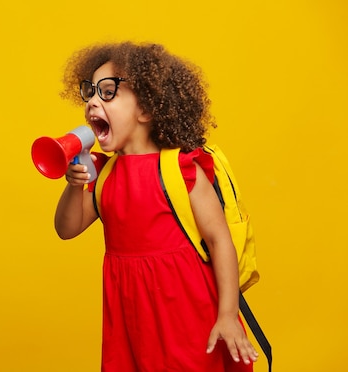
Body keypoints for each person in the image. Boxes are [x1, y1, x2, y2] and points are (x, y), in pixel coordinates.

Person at [54, 42, 259, 371]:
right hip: (131, 317)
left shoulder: (181, 169)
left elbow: (220, 241)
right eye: (90, 91)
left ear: (147, 109)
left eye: (108, 92)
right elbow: (67, 229)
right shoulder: (103, 175)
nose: (92, 100)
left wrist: (227, 316)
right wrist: (73, 185)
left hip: (187, 312)